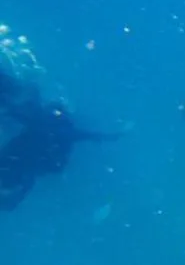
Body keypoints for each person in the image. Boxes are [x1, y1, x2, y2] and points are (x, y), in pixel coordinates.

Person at [0, 68, 116, 211]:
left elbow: (20, 115)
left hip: (23, 155)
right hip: (27, 157)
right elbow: (80, 135)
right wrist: (107, 136)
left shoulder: (45, 125)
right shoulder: (54, 129)